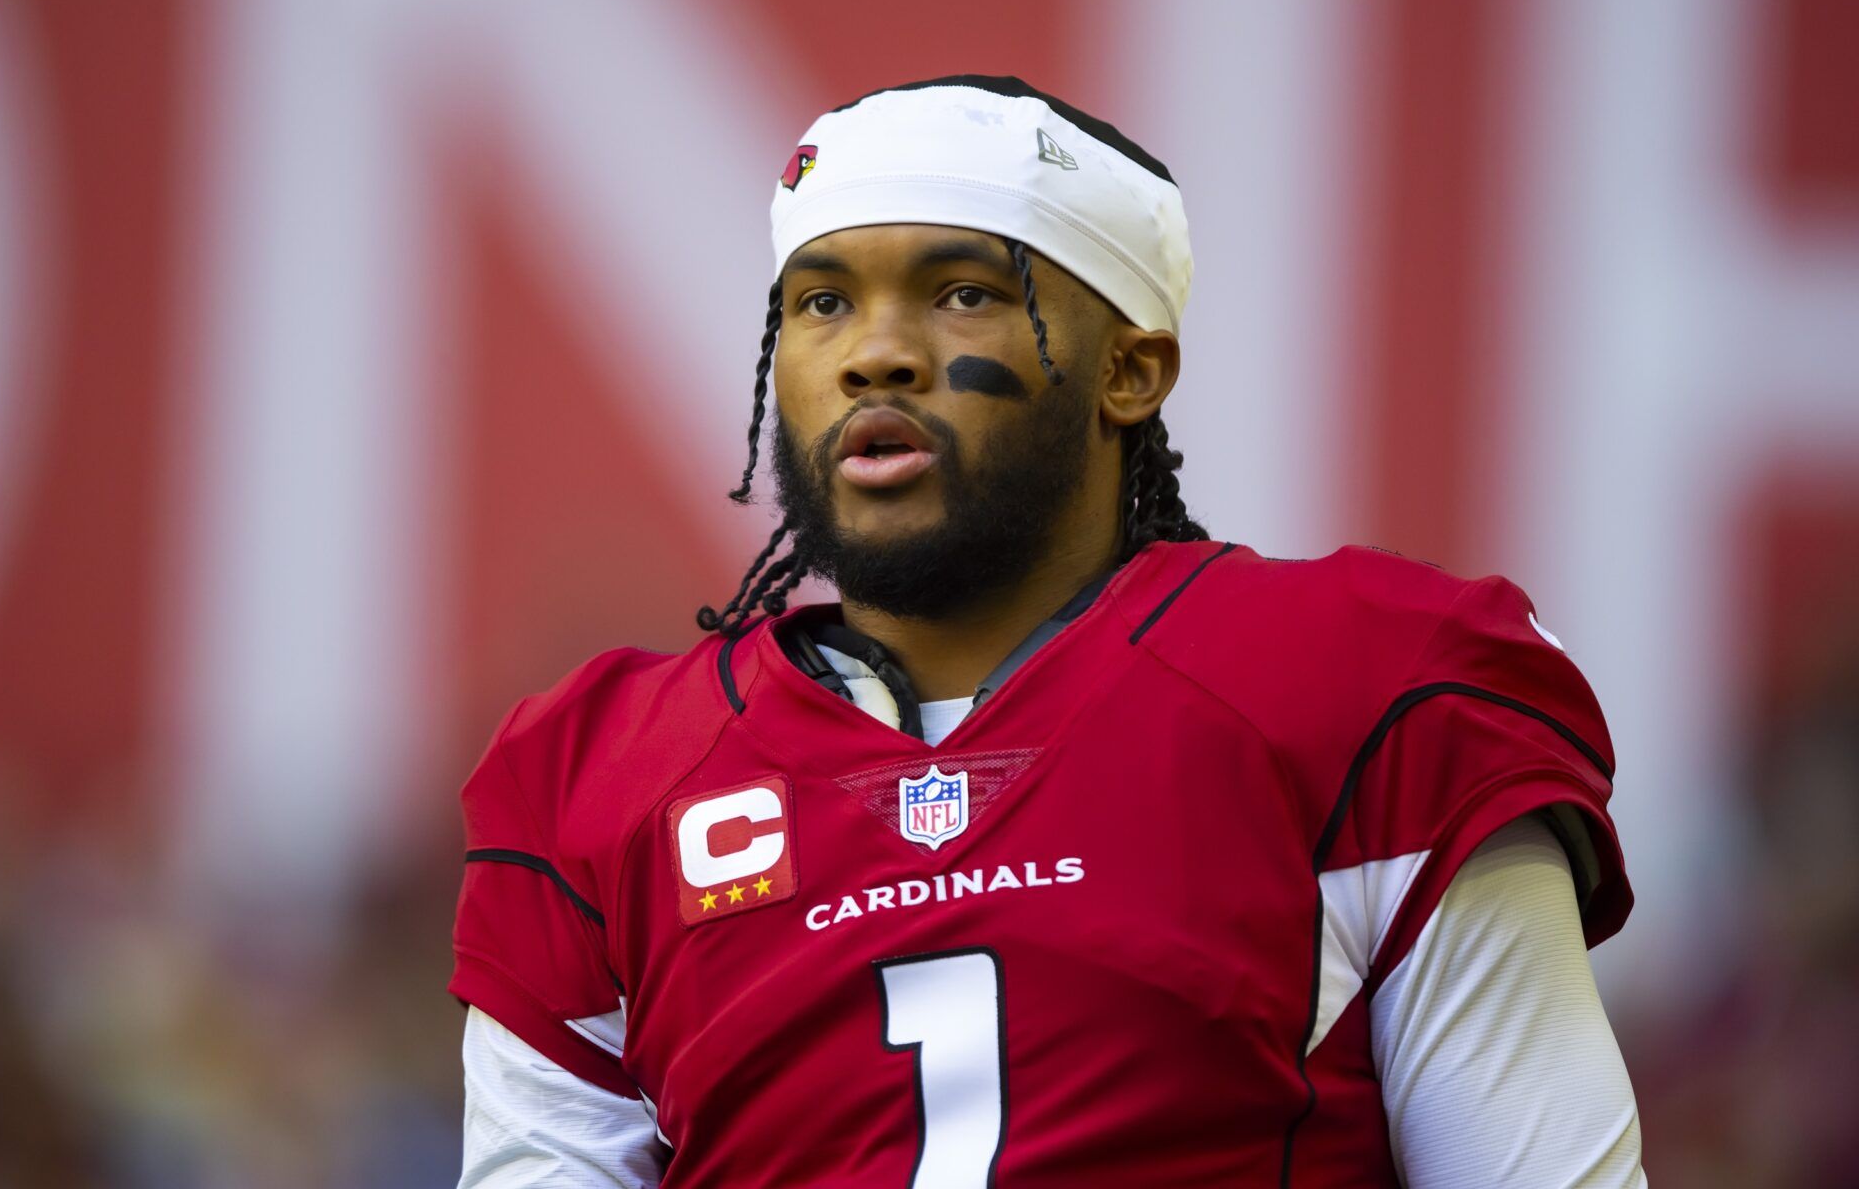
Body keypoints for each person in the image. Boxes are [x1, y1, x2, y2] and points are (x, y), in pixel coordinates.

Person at [450, 75, 1646, 1187]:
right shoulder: (601, 777)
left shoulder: (1361, 687)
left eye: (963, 291)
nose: (875, 351)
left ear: (1131, 369)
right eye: (823, 302)